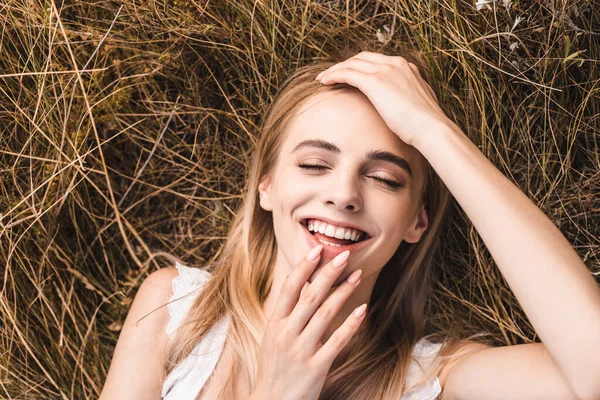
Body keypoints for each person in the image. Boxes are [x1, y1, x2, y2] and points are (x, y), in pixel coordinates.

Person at [99, 45, 600, 400]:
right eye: (315, 164)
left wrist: (435, 132)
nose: (343, 195)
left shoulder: (432, 379)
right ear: (267, 186)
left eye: (383, 178)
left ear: (416, 222)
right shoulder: (177, 310)